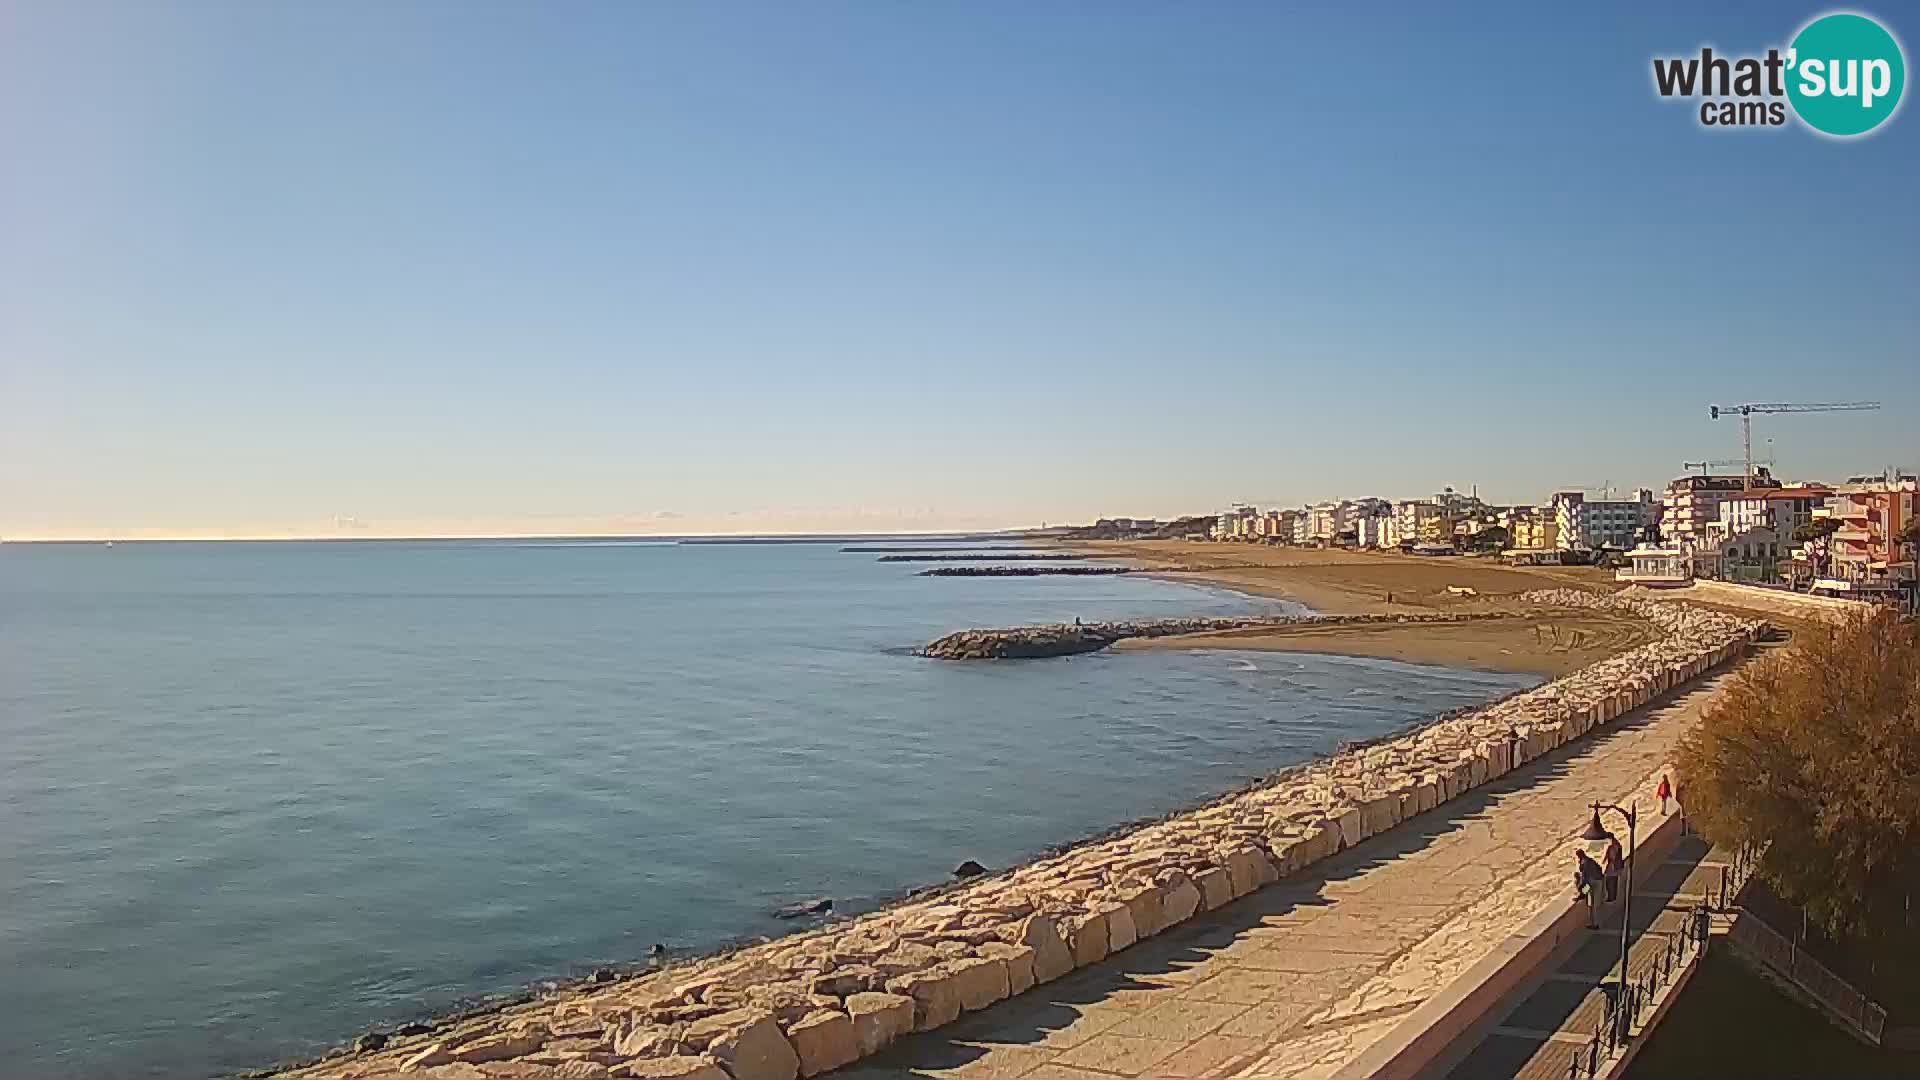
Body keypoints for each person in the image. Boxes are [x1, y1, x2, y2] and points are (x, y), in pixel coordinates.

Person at [1575, 850, 1605, 928]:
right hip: (1597, 881)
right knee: (1592, 904)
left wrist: (1581, 894)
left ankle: (1595, 924)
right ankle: (1594, 923)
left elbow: (1585, 880)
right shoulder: (1590, 861)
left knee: (1592, 905)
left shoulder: (1584, 864)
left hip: (1593, 883)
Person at [1602, 835, 1625, 903]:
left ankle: (1611, 897)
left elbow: (1613, 857)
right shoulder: (1613, 846)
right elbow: (1607, 856)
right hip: (1613, 867)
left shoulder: (1615, 846)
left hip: (1614, 868)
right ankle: (1612, 896)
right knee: (1612, 882)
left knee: (1610, 882)